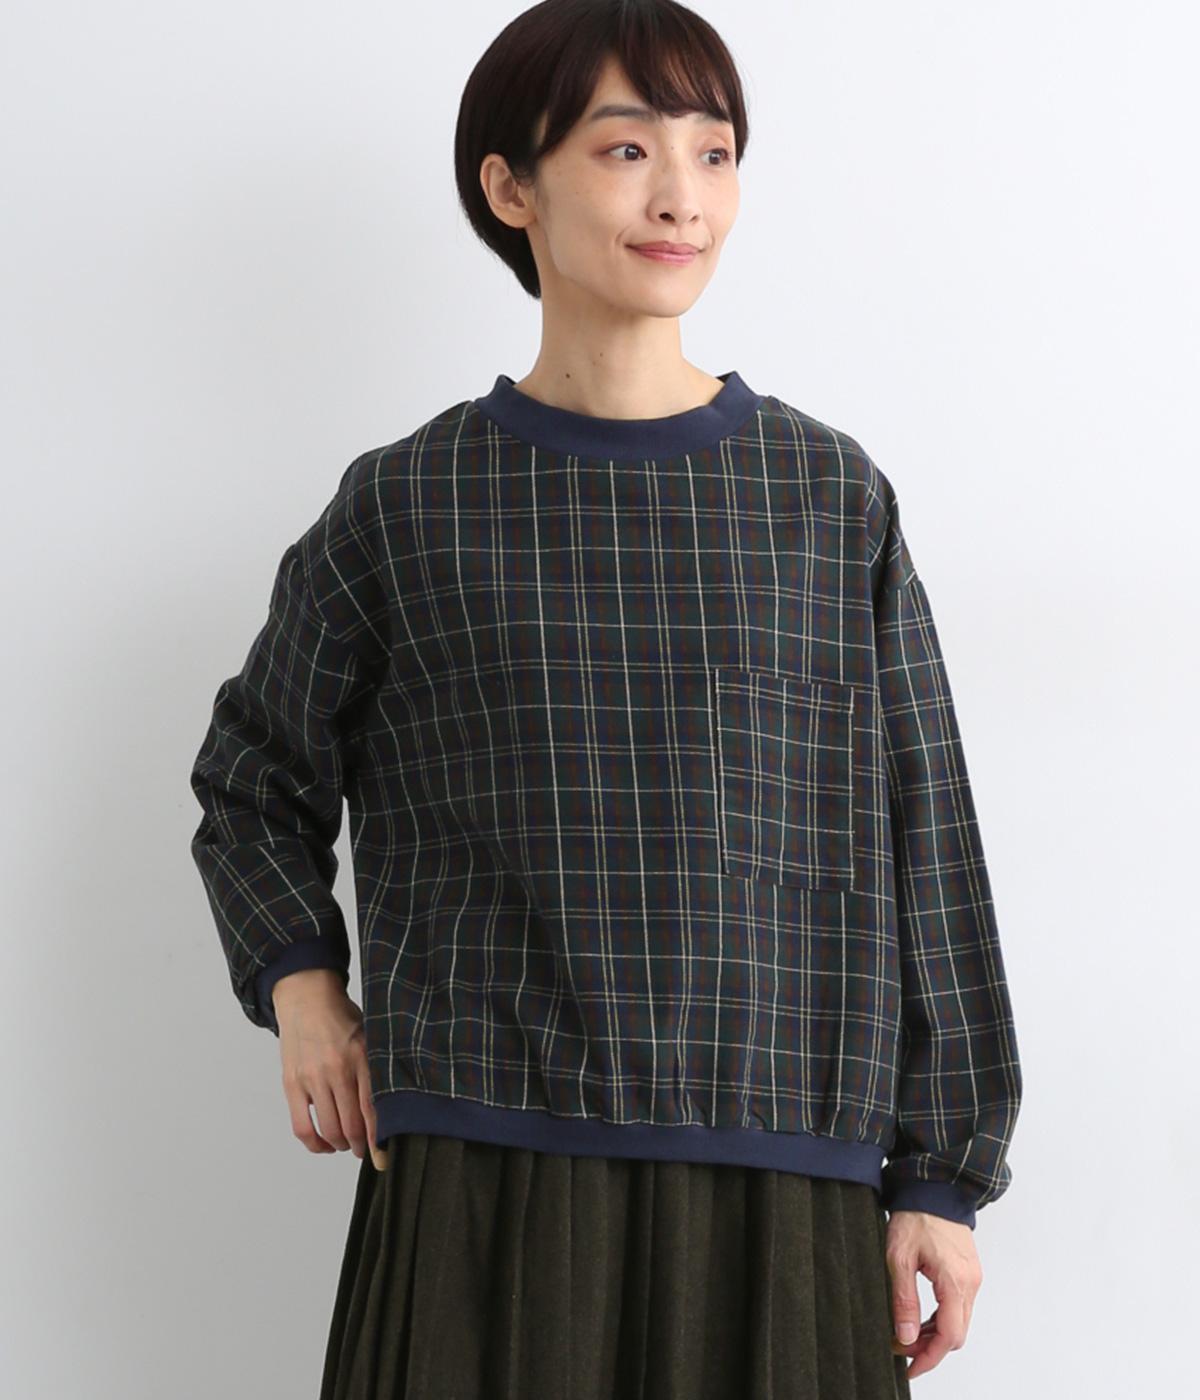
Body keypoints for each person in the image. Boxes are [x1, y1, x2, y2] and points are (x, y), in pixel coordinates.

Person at [188, 2, 1023, 1395]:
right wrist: (304, 990)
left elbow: (924, 834)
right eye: (627, 148)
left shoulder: (827, 499)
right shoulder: (406, 506)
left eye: (715, 151)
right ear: (510, 187)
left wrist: (943, 1176)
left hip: (784, 1178)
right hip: (483, 1176)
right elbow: (252, 780)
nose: (682, 195)